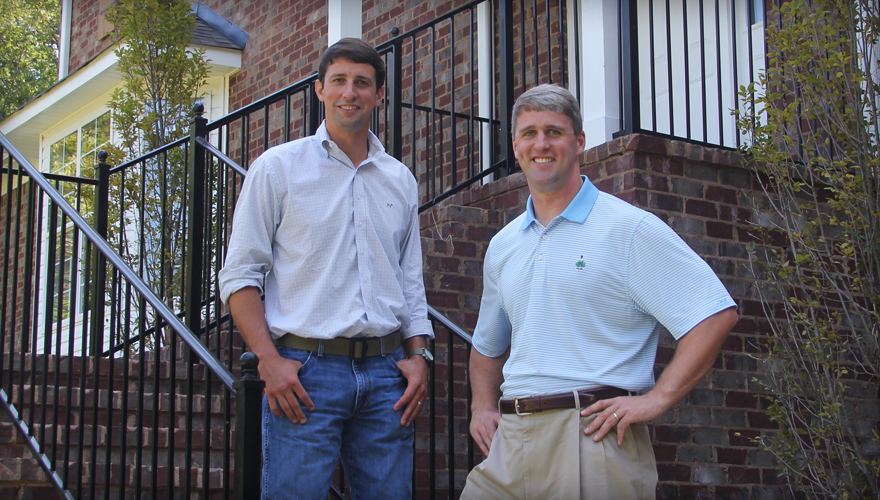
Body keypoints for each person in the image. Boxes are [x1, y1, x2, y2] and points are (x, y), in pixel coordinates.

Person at [461, 84, 738, 500]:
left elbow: (713, 314)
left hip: (590, 435)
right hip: (510, 440)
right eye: (530, 132)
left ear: (579, 142)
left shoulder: (628, 229)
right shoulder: (503, 244)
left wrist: (657, 399)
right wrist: (481, 405)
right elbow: (487, 345)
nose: (541, 143)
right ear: (516, 145)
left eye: (554, 131)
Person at [218, 38, 433, 500]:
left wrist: (420, 356)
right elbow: (240, 276)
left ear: (379, 96)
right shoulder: (277, 169)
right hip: (304, 374)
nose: (349, 93)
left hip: (387, 377)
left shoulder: (400, 179)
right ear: (319, 90)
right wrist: (269, 362)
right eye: (338, 81)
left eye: (362, 83)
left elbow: (409, 281)